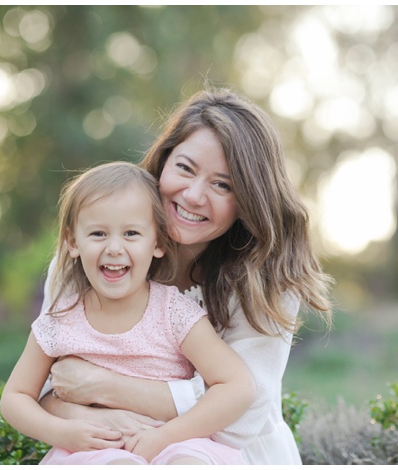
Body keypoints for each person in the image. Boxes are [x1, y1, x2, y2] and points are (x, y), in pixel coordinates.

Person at [39, 87, 334, 464]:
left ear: (248, 201)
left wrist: (105, 386)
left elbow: (239, 420)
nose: (194, 196)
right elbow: (52, 387)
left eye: (222, 185)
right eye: (185, 168)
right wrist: (103, 423)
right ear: (163, 163)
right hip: (106, 450)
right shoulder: (90, 261)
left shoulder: (267, 279)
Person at [1, 161, 256, 465]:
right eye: (98, 233)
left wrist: (166, 437)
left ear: (158, 242)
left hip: (176, 445)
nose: (114, 248)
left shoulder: (173, 313)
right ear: (73, 242)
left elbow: (237, 386)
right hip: (92, 453)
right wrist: (63, 432)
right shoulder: (60, 322)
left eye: (131, 233)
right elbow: (15, 398)